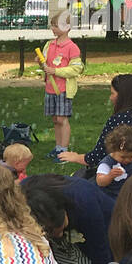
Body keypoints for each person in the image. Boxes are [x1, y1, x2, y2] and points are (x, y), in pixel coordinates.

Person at [21, 173, 116, 264]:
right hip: (71, 251)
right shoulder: (21, 200)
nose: (58, 235)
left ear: (64, 210)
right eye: (51, 232)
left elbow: (104, 263)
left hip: (110, 234)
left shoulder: (84, 203)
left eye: (61, 227)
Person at [59, 74, 132, 171]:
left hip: (123, 176)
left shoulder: (119, 120)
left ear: (122, 96)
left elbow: (98, 156)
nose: (110, 98)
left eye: (112, 93)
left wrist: (76, 157)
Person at [42, 10, 83, 162]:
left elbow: (76, 68)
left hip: (63, 89)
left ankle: (64, 151)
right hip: (50, 88)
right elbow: (45, 63)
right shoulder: (49, 45)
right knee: (55, 119)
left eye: (55, 26)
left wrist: (55, 71)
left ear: (67, 27)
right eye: (52, 25)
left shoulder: (72, 47)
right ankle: (58, 148)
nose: (52, 29)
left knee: (62, 119)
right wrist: (42, 64)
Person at [94, 124, 132, 198]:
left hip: (129, 194)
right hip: (110, 197)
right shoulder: (107, 164)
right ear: (113, 150)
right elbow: (100, 182)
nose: (127, 160)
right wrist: (110, 176)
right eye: (123, 157)